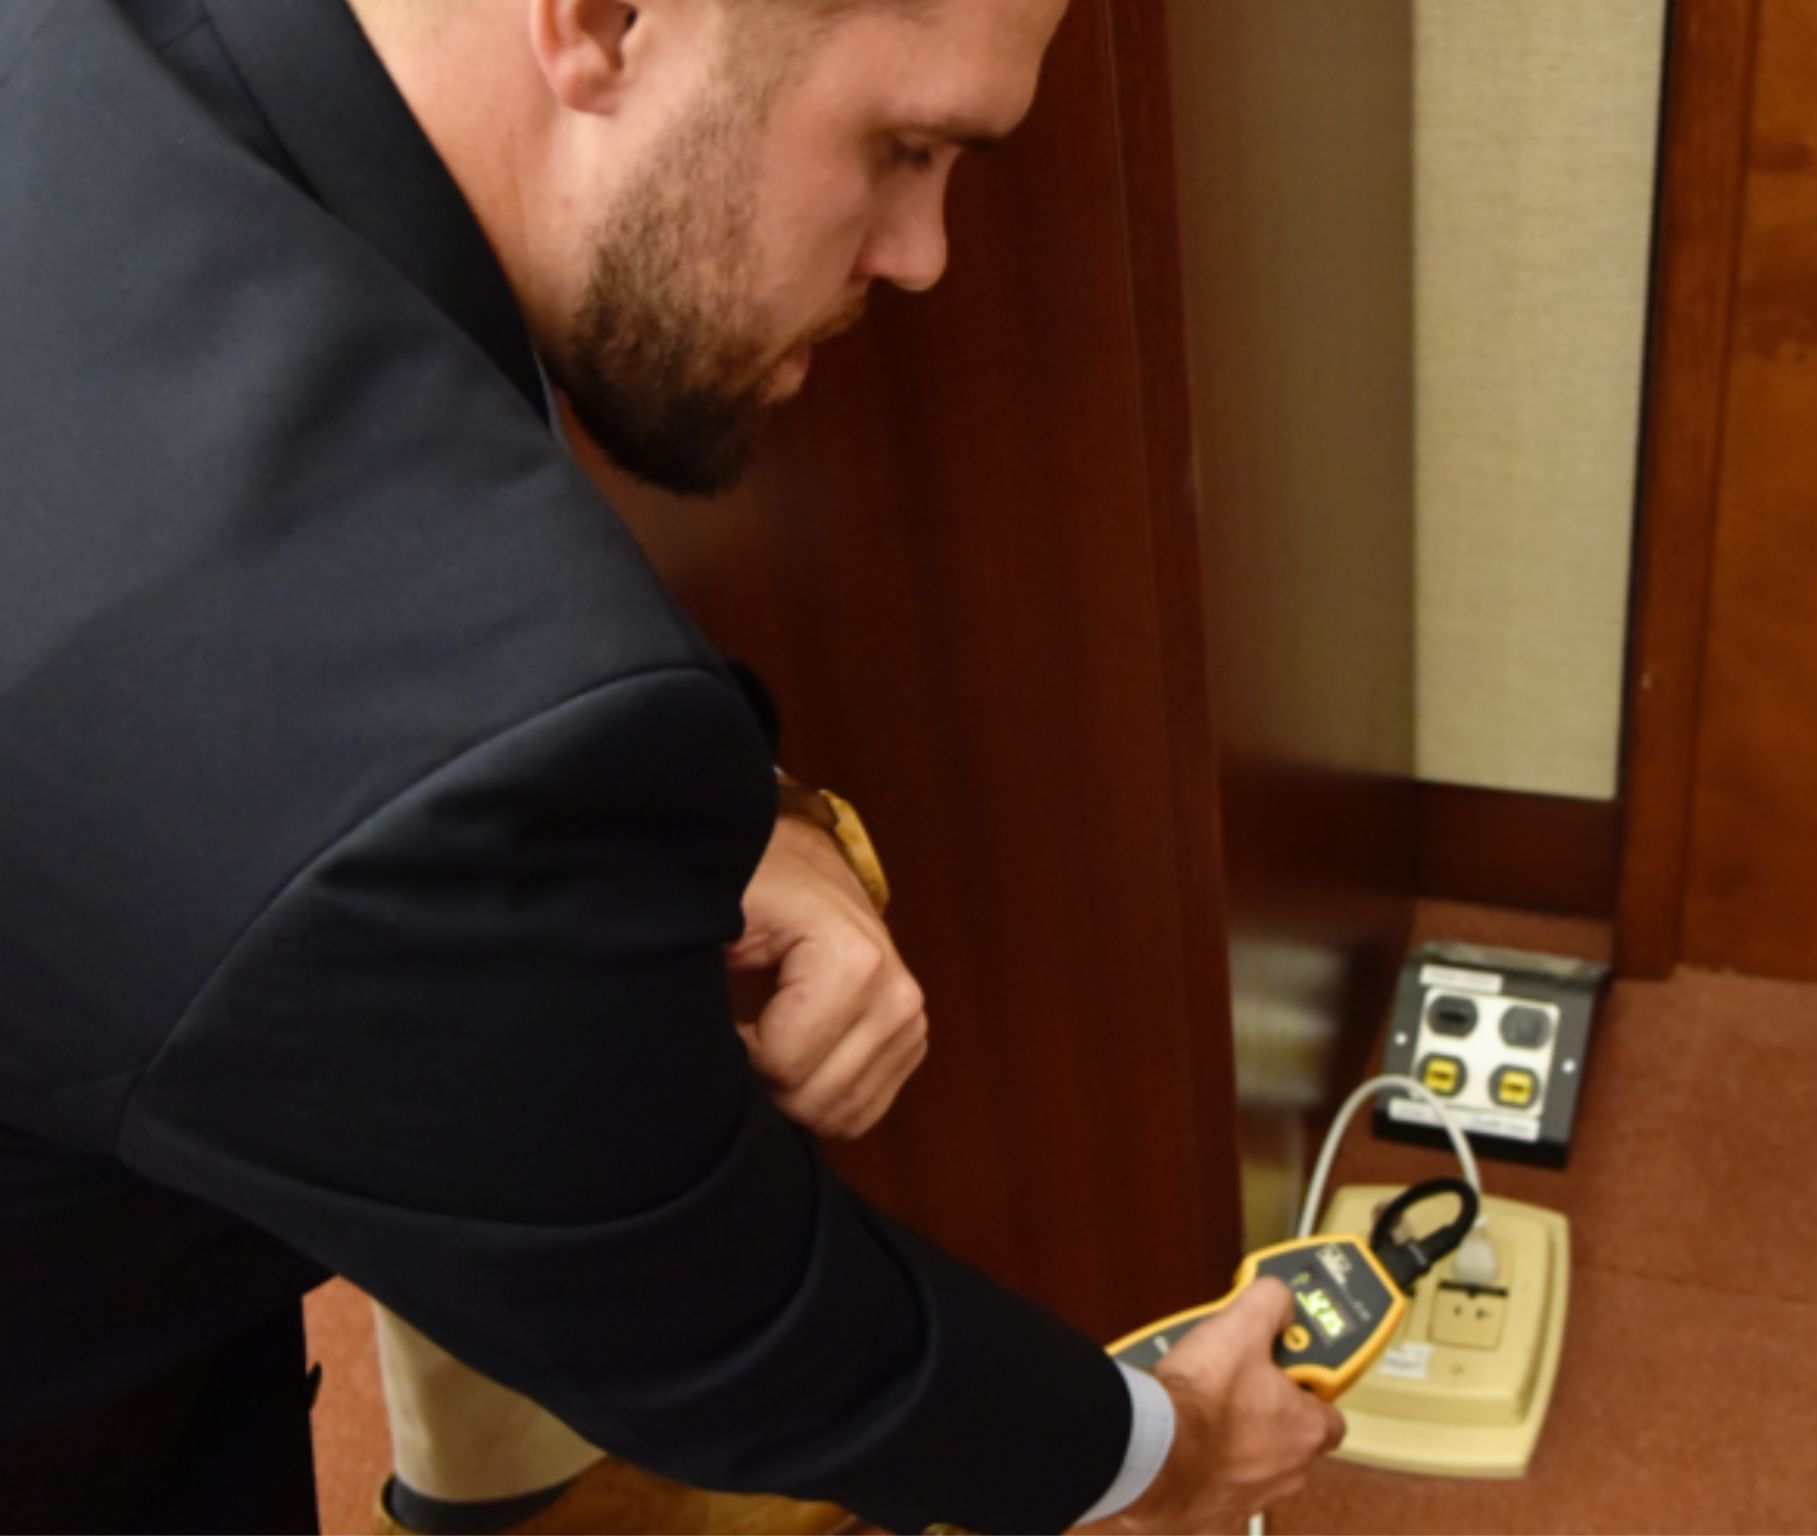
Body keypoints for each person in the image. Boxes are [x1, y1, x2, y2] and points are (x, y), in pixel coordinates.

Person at [0, 0, 1345, 1530]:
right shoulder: (412, 749)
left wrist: (758, 825)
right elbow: (743, 1337)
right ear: (606, 20)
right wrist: (1171, 1449)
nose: (925, 253)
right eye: (902, 148)